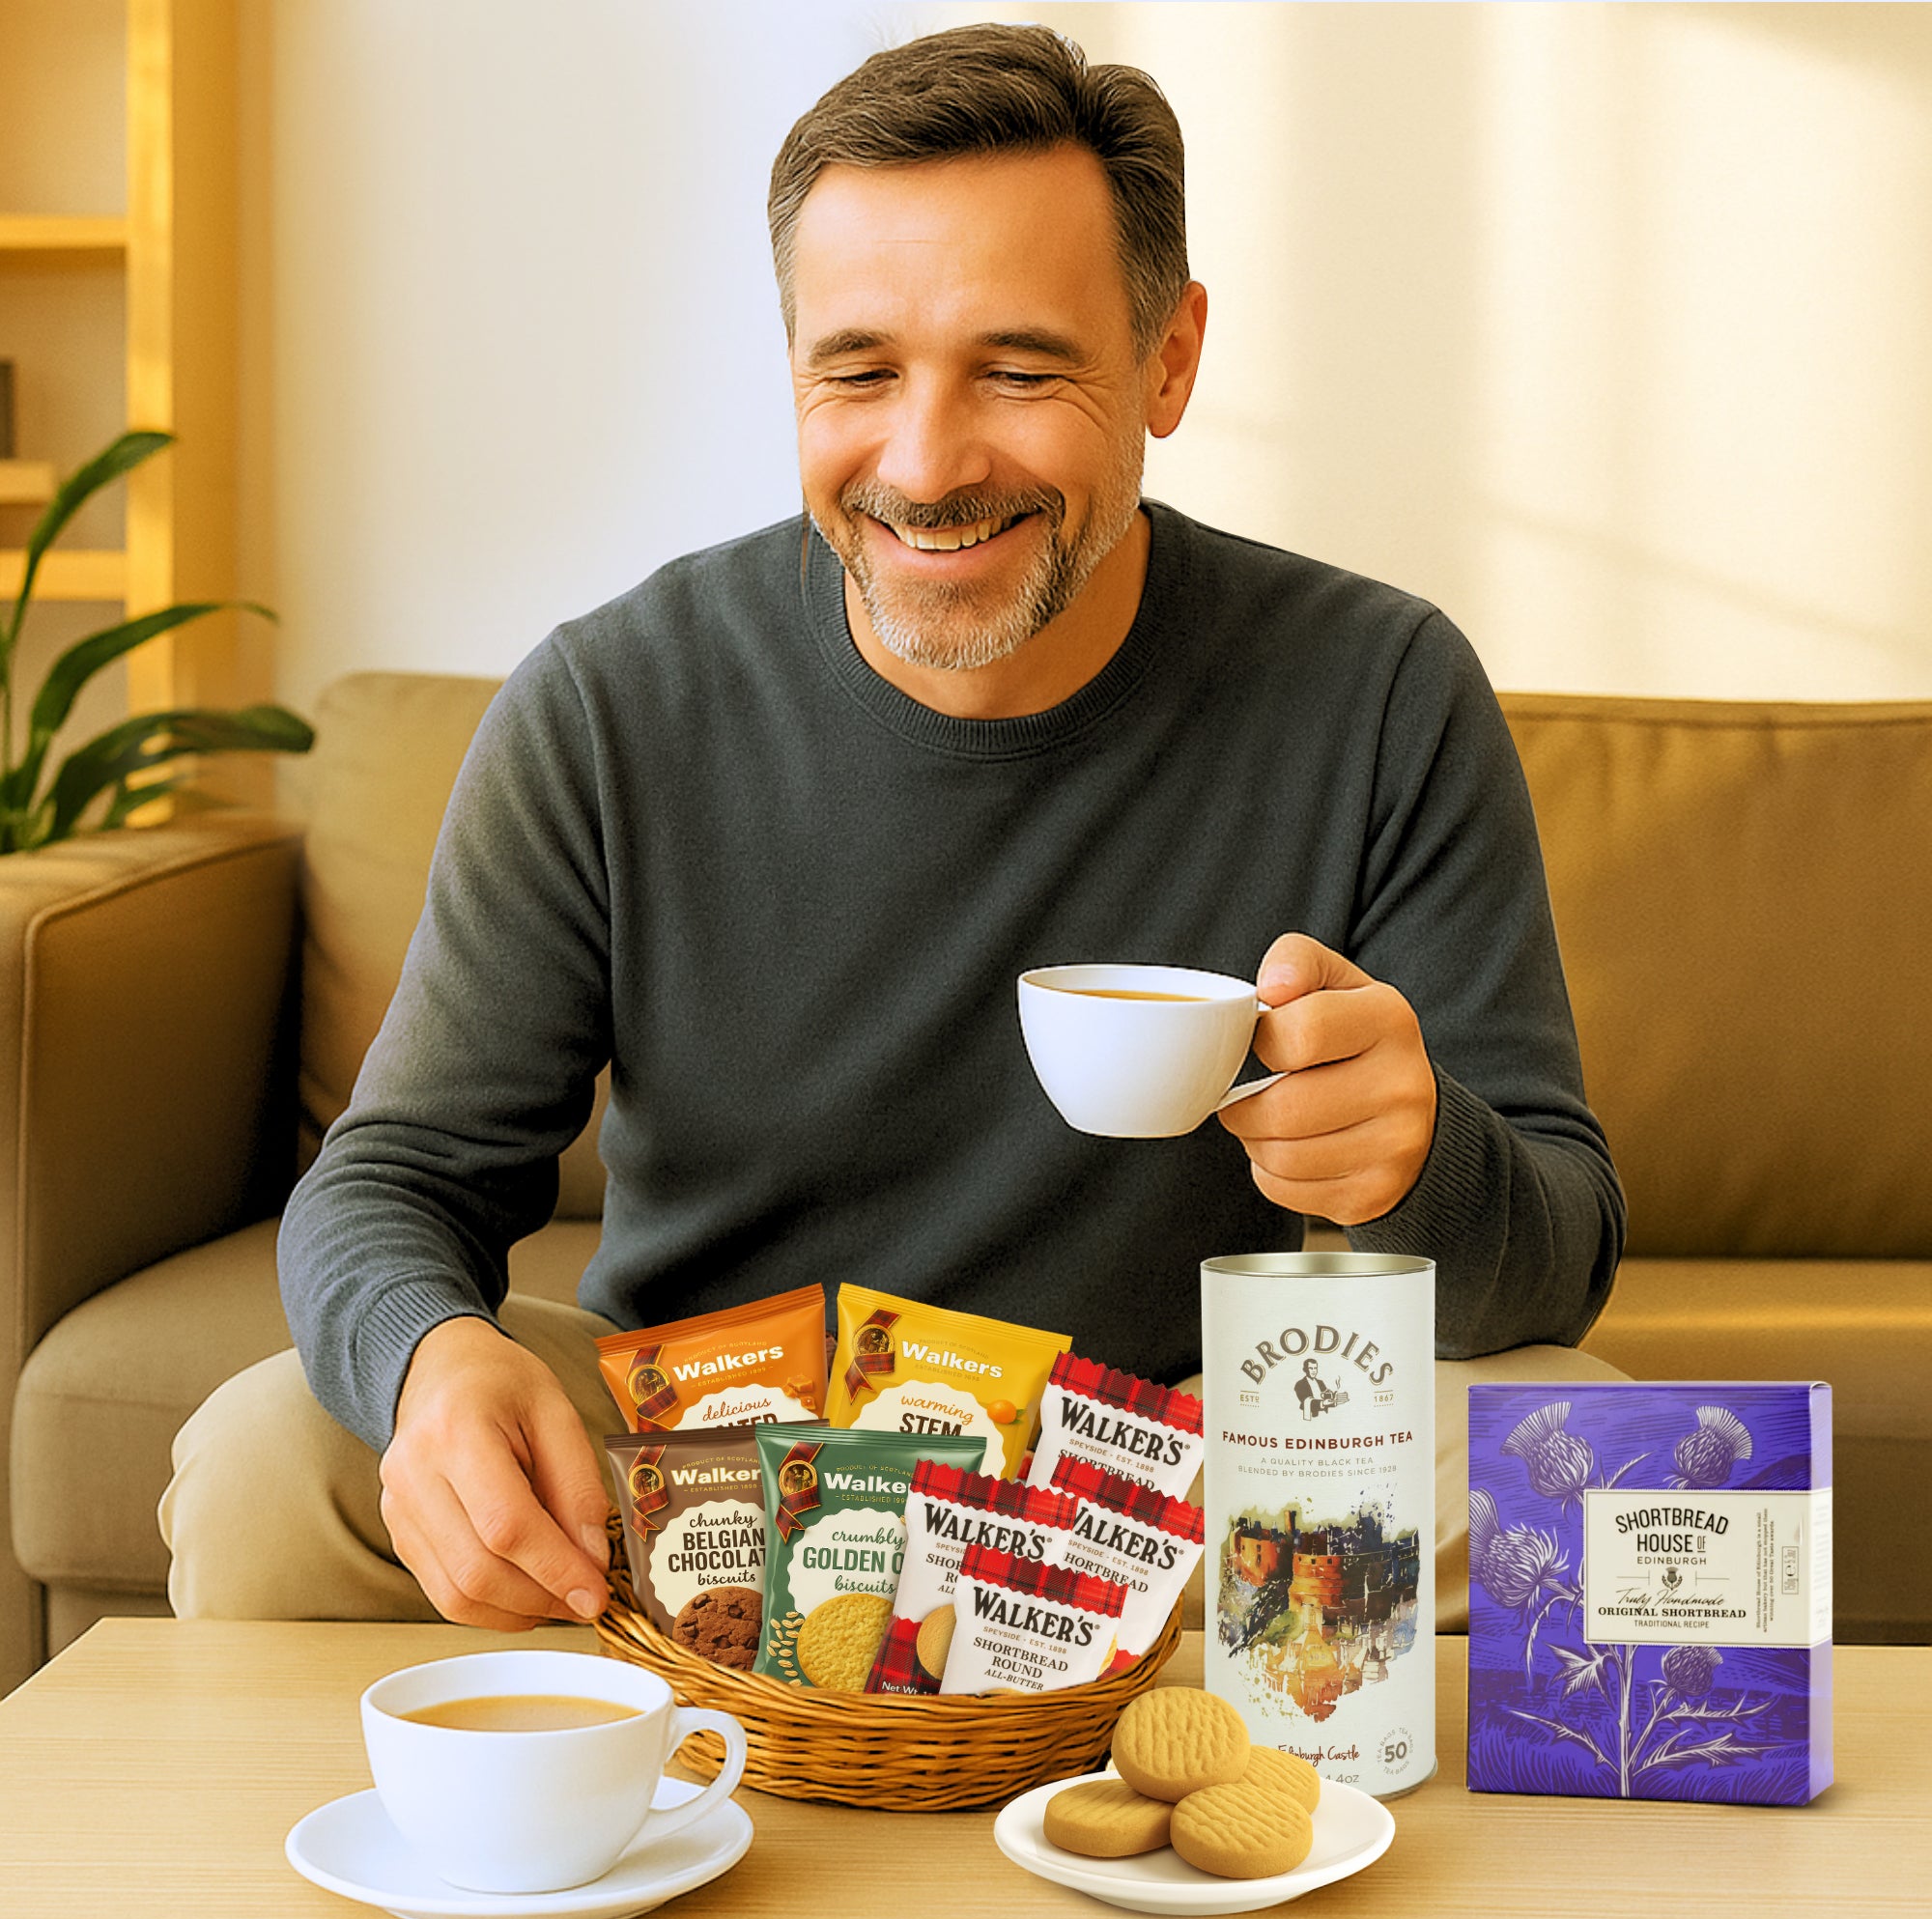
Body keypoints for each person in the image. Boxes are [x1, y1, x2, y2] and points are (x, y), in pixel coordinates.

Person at [162, 23, 1627, 1635]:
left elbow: (1555, 1257)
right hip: (708, 1473)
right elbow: (394, 1178)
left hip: (1171, 1469)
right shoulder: (607, 705)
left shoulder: (1381, 692)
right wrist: (437, 1367)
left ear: (1168, 358)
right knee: (264, 1464)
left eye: (1018, 368)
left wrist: (1413, 1161)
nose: (926, 466)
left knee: (1574, 1448)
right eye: (858, 372)